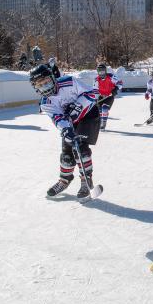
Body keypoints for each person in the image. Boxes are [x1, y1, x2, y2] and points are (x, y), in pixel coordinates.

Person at [30, 64, 100, 201]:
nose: (45, 86)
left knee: (81, 148)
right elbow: (58, 118)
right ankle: (64, 180)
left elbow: (93, 93)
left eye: (46, 82)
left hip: (89, 115)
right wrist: (66, 129)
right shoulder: (45, 103)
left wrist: (78, 105)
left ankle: (87, 181)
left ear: (53, 78)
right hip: (71, 123)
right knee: (66, 153)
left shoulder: (69, 82)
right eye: (40, 85)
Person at [93, 63, 123, 130]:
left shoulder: (111, 77)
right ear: (98, 72)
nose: (101, 73)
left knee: (105, 108)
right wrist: (94, 98)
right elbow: (95, 90)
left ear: (105, 71)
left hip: (109, 96)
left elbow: (120, 83)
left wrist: (115, 89)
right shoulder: (96, 79)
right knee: (99, 111)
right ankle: (100, 122)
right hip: (101, 97)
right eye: (99, 71)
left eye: (103, 71)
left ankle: (103, 123)